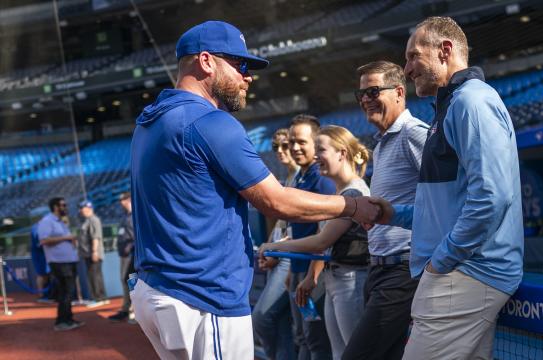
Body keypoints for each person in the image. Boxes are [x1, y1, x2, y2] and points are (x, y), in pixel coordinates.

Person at [129, 20, 379, 360]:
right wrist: (352, 207)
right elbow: (276, 201)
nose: (247, 77)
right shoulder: (210, 122)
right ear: (206, 61)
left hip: (158, 290)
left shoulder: (149, 122)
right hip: (202, 298)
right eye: (239, 65)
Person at [370, 17, 524, 359]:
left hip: (466, 271)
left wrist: (441, 262)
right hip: (464, 271)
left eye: (413, 56)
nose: (407, 69)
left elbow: (492, 197)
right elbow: (442, 210)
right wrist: (391, 213)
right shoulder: (452, 106)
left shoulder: (472, 101)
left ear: (445, 50)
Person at [341, 61, 429, 360]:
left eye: (373, 91)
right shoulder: (382, 144)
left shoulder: (414, 134)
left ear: (399, 92)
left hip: (402, 272)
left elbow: (446, 201)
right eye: (361, 93)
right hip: (378, 269)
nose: (365, 99)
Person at [259, 125, 371, 360]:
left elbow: (322, 241)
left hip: (351, 281)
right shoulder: (340, 193)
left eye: (321, 149)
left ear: (342, 153)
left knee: (352, 353)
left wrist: (275, 247)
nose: (316, 156)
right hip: (336, 280)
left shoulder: (353, 194)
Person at [285, 114, 334, 360]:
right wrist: (291, 272)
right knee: (302, 337)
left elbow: (324, 233)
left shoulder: (322, 179)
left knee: (316, 341)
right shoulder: (299, 177)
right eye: (291, 141)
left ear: (316, 143)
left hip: (314, 275)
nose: (294, 147)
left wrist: (311, 275)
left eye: (301, 142)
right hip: (297, 270)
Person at [252, 129, 298, 360]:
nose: (280, 151)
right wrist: (267, 245)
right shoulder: (287, 178)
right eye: (275, 147)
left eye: (285, 145)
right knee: (280, 324)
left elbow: (304, 228)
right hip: (279, 255)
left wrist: (274, 248)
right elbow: (281, 223)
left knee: (261, 318)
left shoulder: (303, 176)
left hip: (292, 257)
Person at [37, 197, 84, 331]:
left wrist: (71, 241)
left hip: (69, 261)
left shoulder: (62, 222)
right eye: (63, 205)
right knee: (65, 292)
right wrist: (67, 238)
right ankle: (61, 321)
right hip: (59, 262)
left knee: (69, 292)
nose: (66, 207)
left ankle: (68, 318)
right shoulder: (47, 221)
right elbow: (43, 240)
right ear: (55, 207)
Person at [108, 192, 136, 323]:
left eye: (123, 199)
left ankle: (134, 310)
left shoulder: (136, 214)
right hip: (125, 254)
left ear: (129, 199)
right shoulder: (126, 215)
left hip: (132, 255)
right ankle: (127, 308)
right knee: (126, 280)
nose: (121, 202)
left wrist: (131, 247)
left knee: (131, 281)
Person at [78, 200, 108, 307]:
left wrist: (95, 252)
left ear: (88, 208)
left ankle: (98, 298)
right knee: (95, 275)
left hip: (93, 253)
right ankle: (101, 297)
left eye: (82, 208)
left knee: (94, 276)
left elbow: (96, 237)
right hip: (88, 253)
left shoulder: (93, 220)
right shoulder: (87, 220)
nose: (81, 211)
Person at [30, 208, 55, 303]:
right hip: (39, 255)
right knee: (41, 275)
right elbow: (40, 242)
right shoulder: (36, 227)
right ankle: (41, 295)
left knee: (47, 274)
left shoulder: (45, 226)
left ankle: (48, 294)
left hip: (46, 254)